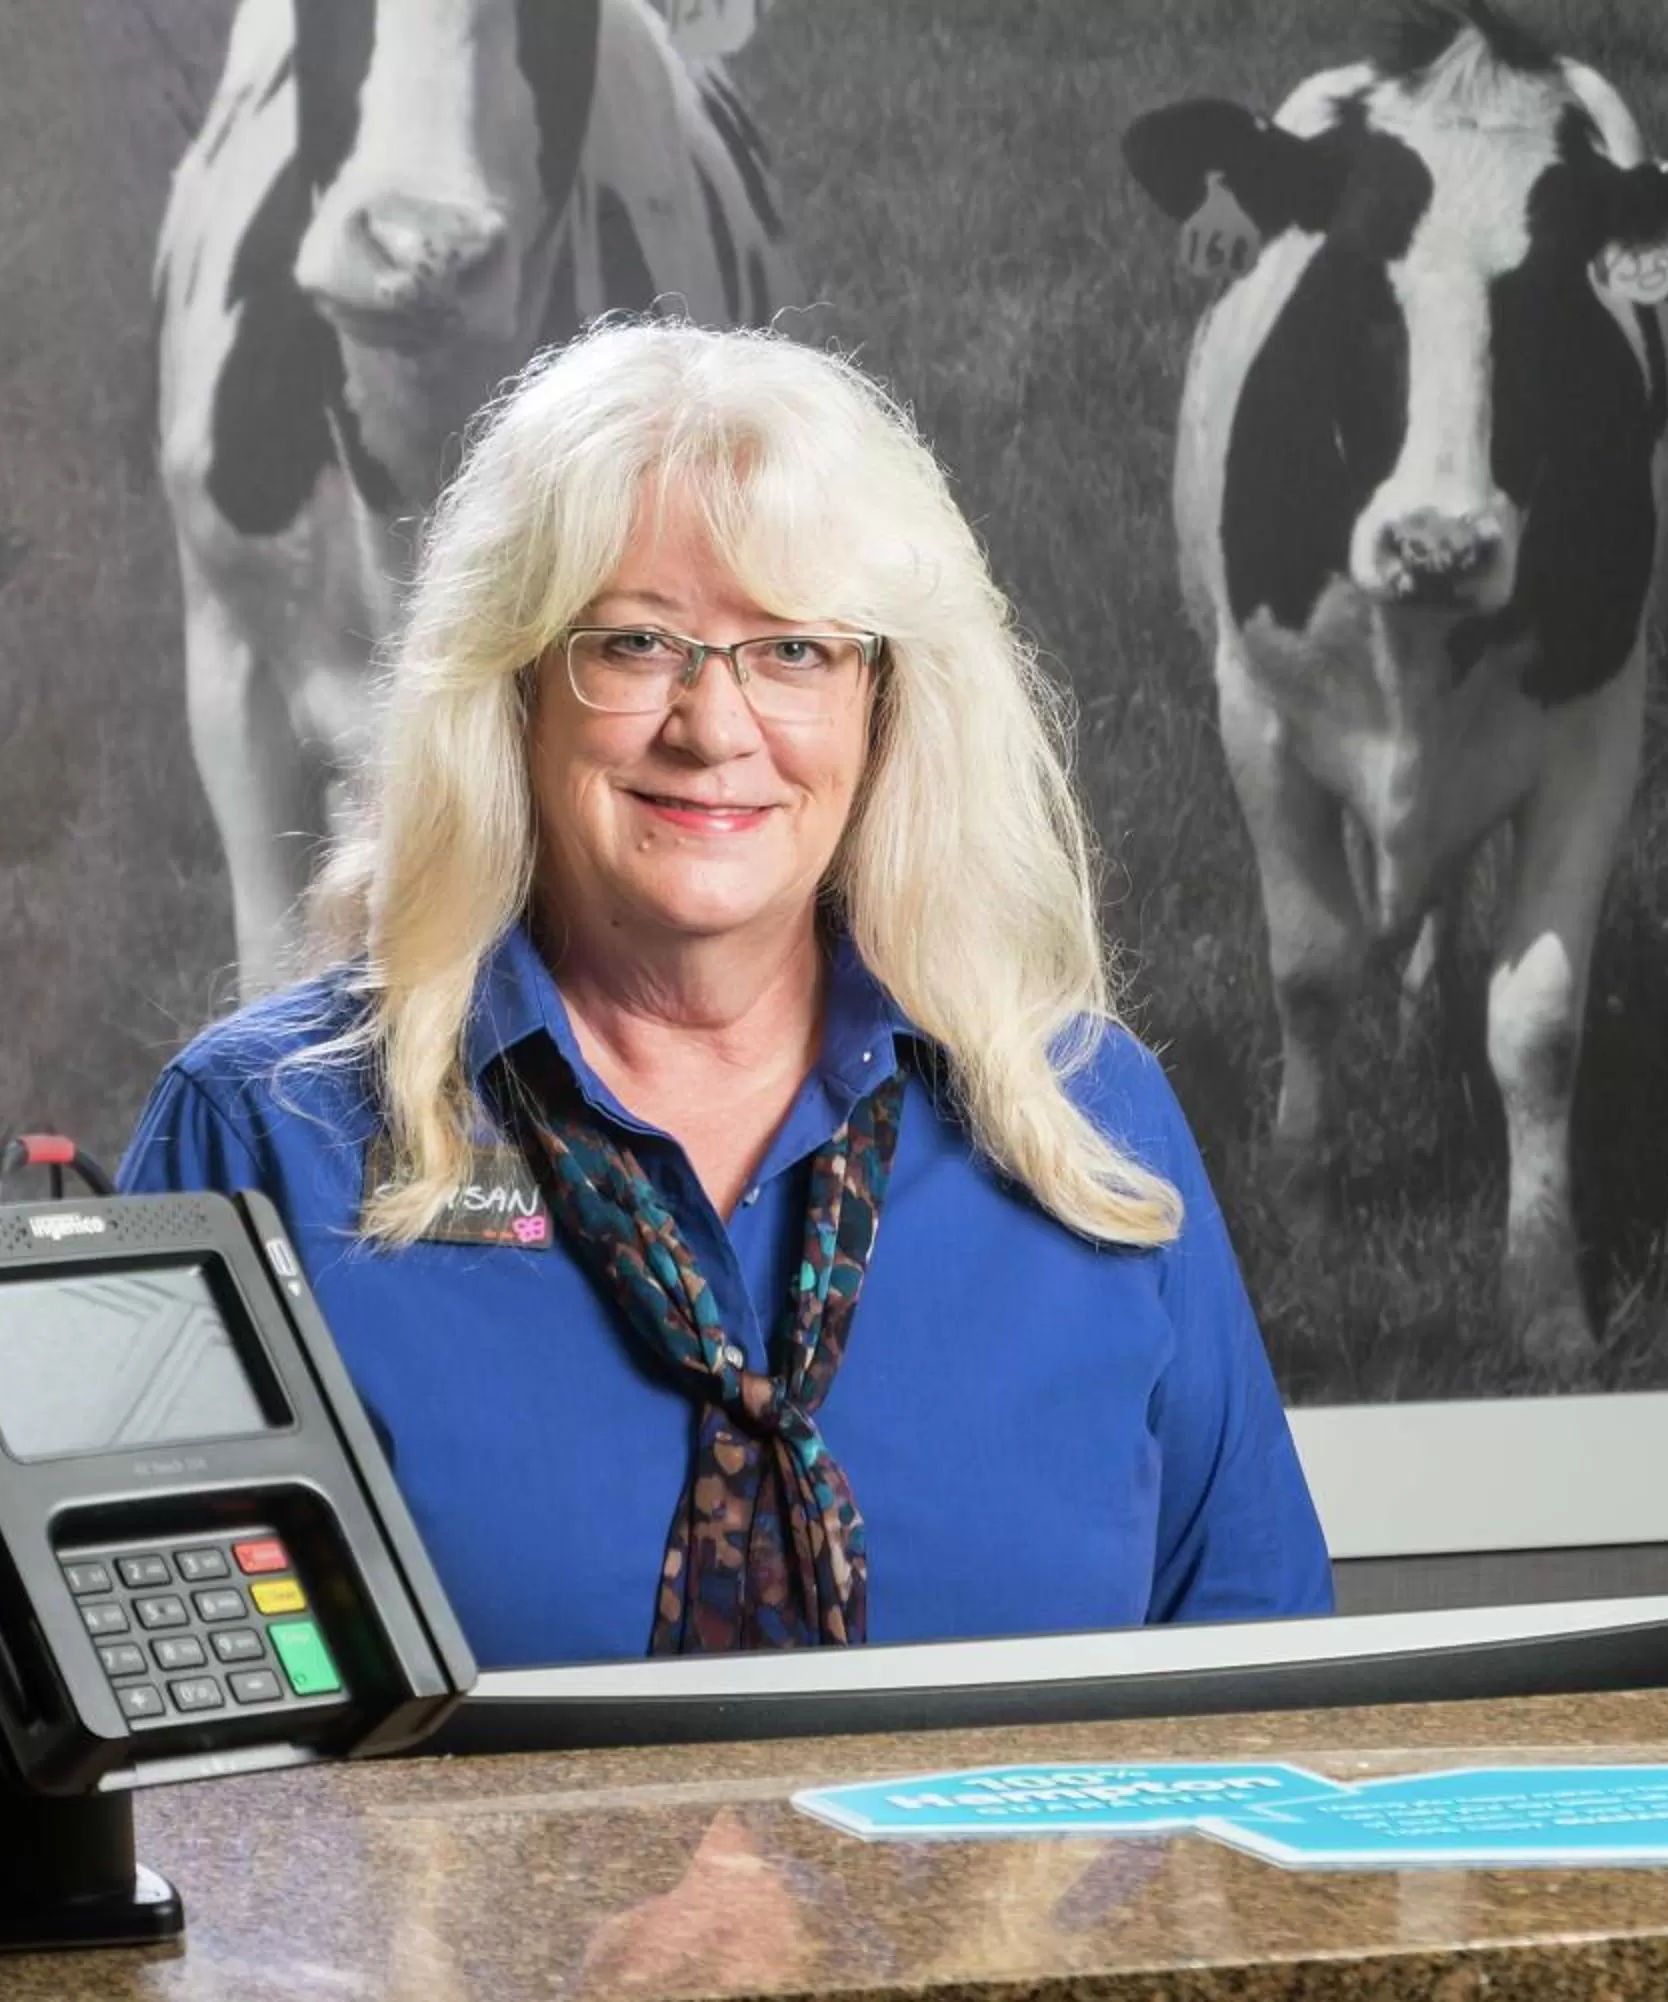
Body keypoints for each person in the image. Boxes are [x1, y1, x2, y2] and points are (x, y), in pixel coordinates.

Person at [118, 319, 1331, 1666]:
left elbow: (1259, 1702)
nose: (715, 728)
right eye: (638, 644)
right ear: (513, 685)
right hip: (462, 1891)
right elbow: (182, 1784)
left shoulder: (1087, 1117)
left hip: (1025, 1888)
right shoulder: (260, 1134)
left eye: (794, 652)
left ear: (889, 702)